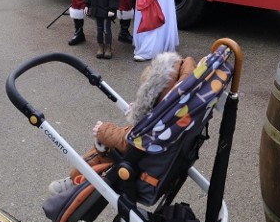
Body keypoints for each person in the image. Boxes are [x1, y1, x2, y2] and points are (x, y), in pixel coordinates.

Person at [48, 52, 195, 194]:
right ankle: (78, 178)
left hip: (138, 165)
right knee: (105, 148)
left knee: (102, 152)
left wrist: (103, 130)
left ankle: (75, 180)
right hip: (156, 156)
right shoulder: (174, 113)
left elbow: (127, 140)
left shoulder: (155, 126)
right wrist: (142, 112)